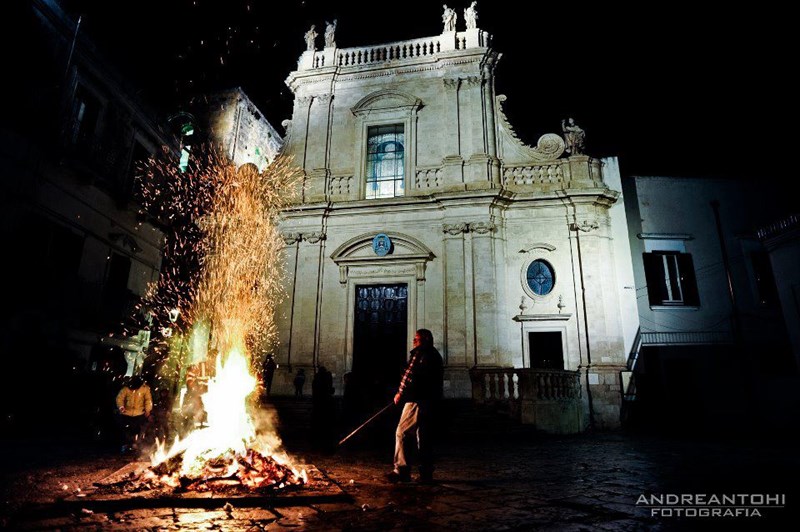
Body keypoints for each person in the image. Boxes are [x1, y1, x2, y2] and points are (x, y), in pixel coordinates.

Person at [387, 329, 444, 484]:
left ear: (425, 340)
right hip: (430, 401)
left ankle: (401, 470)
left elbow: (409, 376)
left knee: (402, 432)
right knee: (424, 436)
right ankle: (426, 472)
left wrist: (400, 393)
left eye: (416, 339)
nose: (414, 341)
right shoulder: (435, 356)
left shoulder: (421, 354)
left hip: (417, 400)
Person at [116, 375, 153, 453]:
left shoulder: (145, 389)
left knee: (137, 430)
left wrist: (147, 410)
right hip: (126, 413)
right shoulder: (125, 389)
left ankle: (135, 446)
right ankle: (125, 445)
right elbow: (120, 398)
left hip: (139, 413)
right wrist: (121, 407)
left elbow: (148, 400)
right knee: (126, 430)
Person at [312, 365, 336, 452]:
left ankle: (317, 444)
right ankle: (325, 445)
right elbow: (330, 390)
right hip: (325, 405)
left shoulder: (316, 379)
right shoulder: (326, 379)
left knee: (318, 425)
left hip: (318, 405)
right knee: (325, 426)